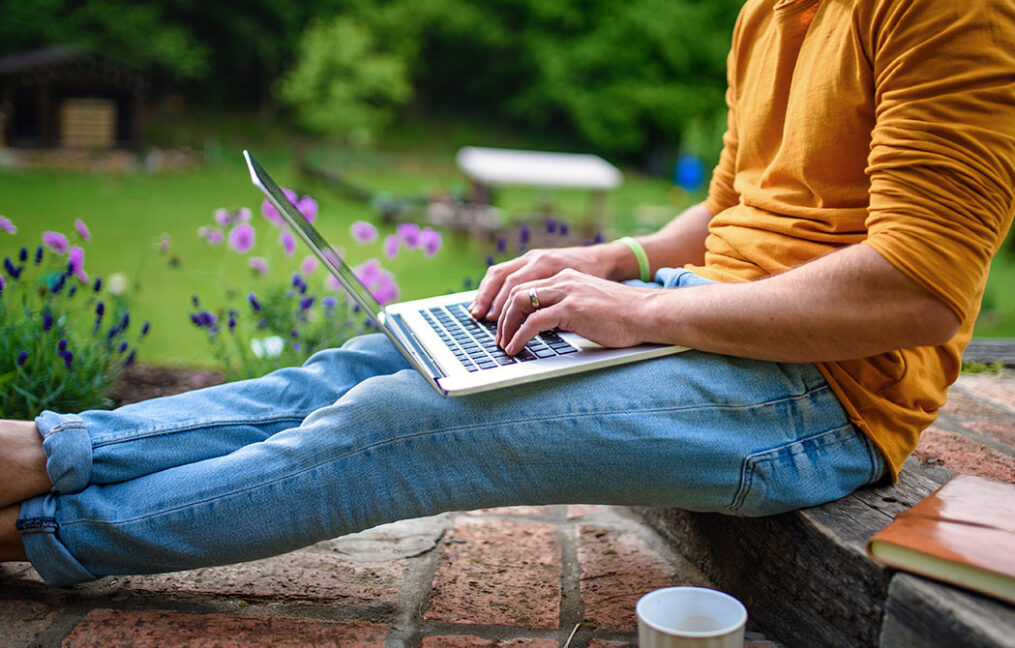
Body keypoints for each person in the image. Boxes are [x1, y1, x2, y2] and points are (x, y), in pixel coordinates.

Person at [2, 0, 1013, 587]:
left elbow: (918, 284)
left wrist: (649, 312)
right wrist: (617, 260)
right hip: (700, 310)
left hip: (824, 393)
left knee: (402, 421)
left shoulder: (950, 11)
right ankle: (49, 451)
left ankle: (38, 534)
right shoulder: (772, 9)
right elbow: (736, 203)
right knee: (380, 355)